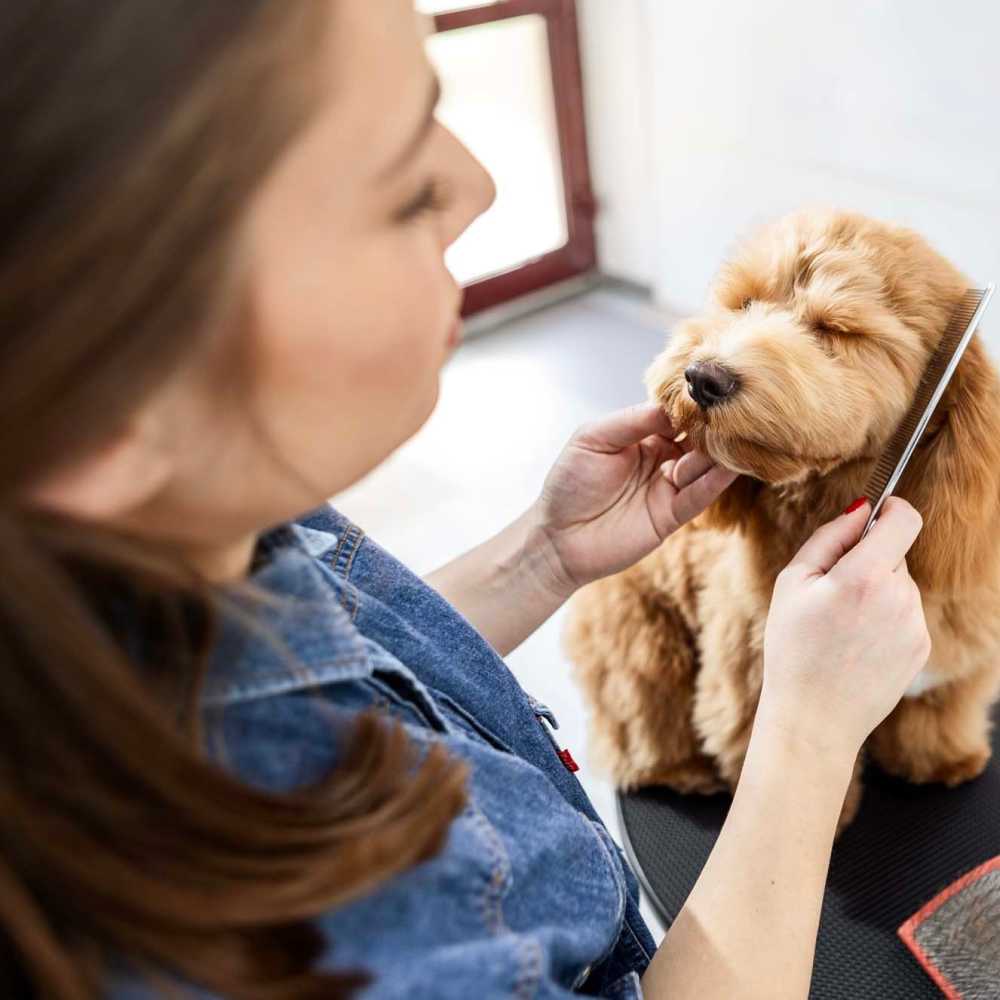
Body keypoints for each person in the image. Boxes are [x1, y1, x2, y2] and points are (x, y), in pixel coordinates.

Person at [0, 2, 931, 998]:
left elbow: (343, 669)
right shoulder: (318, 938)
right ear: (112, 404)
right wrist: (807, 735)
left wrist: (543, 555)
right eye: (403, 184)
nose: (478, 188)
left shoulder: (183, 528)